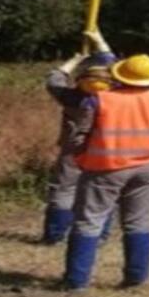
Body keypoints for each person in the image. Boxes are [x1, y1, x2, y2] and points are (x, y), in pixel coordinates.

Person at [63, 53, 149, 292]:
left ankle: (76, 282)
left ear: (120, 75)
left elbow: (78, 138)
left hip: (103, 169)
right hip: (146, 168)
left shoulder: (99, 100)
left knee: (89, 222)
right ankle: (135, 279)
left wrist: (79, 157)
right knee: (139, 221)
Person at [41, 31, 116, 245]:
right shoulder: (115, 97)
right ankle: (99, 236)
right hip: (105, 150)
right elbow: (118, 69)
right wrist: (100, 42)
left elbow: (54, 79)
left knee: (64, 191)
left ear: (82, 81)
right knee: (103, 195)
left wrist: (75, 60)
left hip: (74, 149)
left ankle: (55, 235)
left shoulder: (72, 98)